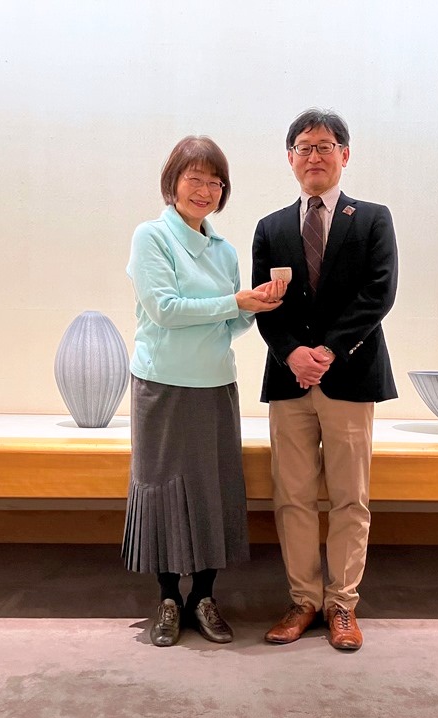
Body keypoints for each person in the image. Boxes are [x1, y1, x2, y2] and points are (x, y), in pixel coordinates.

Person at [123, 136, 286, 647]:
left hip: (216, 385)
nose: (205, 190)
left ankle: (204, 597)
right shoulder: (152, 237)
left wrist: (253, 307)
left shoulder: (224, 250)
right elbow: (165, 310)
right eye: (195, 179)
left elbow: (227, 326)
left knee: (214, 489)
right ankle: (168, 599)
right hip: (162, 386)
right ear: (172, 183)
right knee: (164, 490)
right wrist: (234, 302)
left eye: (215, 182)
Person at [252, 109, 398, 651]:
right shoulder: (270, 228)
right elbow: (265, 304)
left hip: (350, 376)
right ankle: (303, 601)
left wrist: (330, 351)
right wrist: (292, 353)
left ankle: (342, 604)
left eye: (325, 146)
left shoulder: (373, 219)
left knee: (349, 498)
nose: (314, 156)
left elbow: (379, 293)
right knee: (291, 496)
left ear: (345, 154)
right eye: (304, 147)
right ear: (290, 158)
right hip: (289, 379)